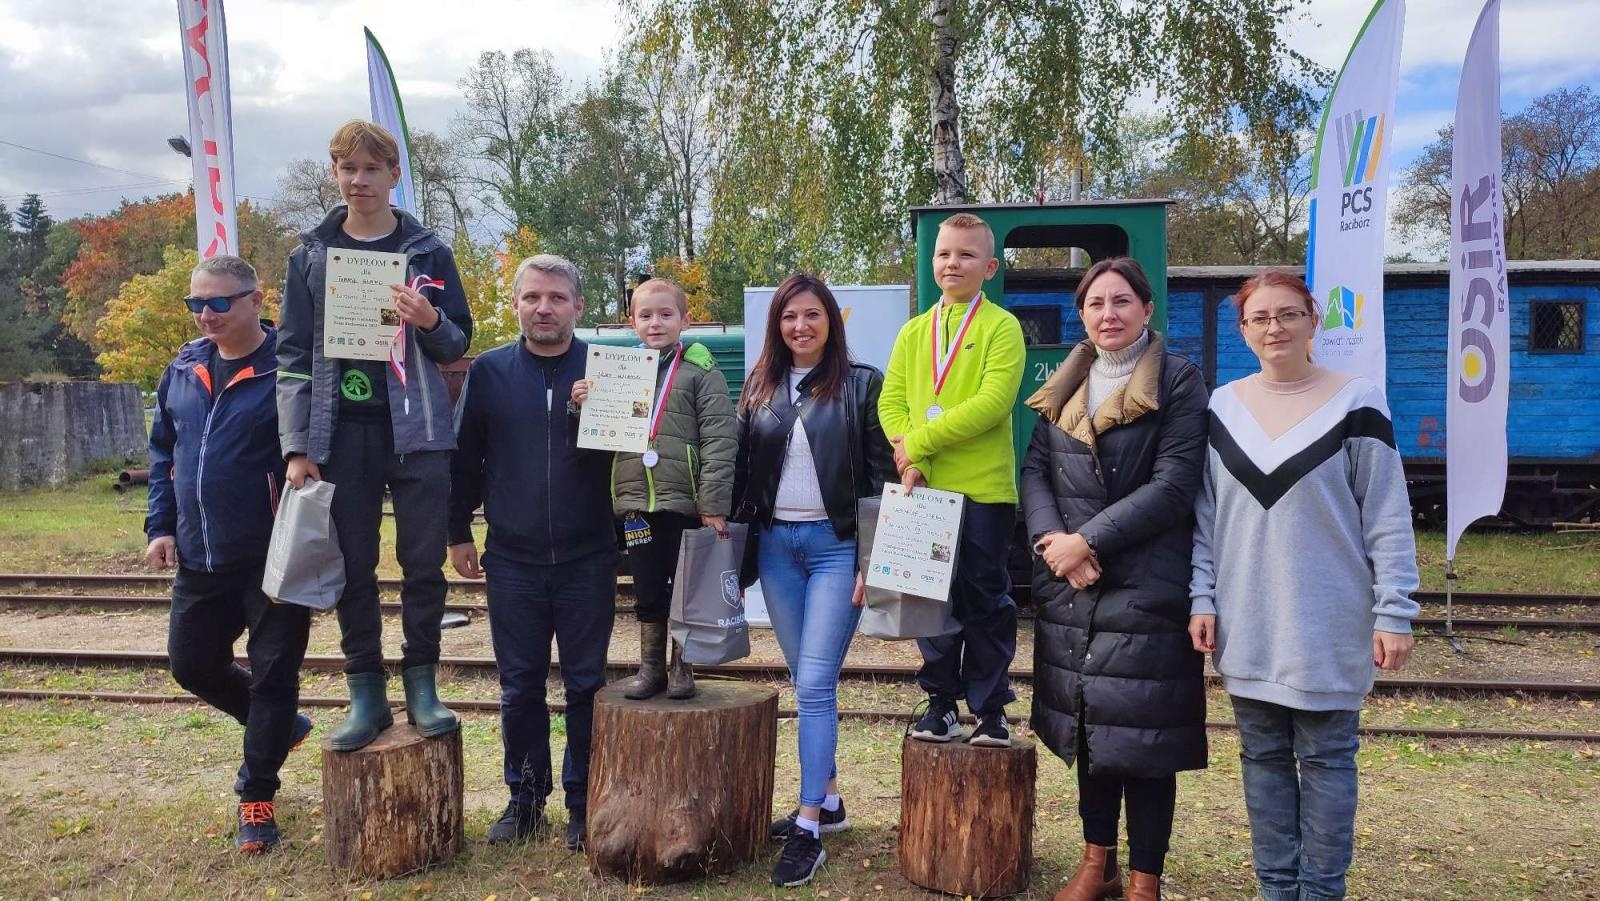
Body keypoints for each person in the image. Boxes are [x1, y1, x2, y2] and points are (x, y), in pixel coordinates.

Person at [1189, 270, 1418, 901]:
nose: (1274, 327)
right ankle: (1275, 890)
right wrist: (1201, 598)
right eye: (1260, 317)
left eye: (1287, 314)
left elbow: (1387, 513)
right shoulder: (1222, 408)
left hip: (1329, 620)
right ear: (1242, 330)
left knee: (1326, 761)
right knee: (1261, 760)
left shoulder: (1357, 401)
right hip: (1246, 620)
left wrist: (1394, 611)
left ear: (1313, 321)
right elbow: (1205, 519)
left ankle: (1321, 893)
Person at [276, 120, 473, 752]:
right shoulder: (309, 256)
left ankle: (422, 683)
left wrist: (430, 319)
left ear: (393, 175)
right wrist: (298, 446)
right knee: (352, 565)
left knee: (422, 563)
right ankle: (365, 691)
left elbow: (458, 341)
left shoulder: (429, 251)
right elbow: (293, 357)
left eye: (371, 169)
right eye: (347, 168)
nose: (358, 180)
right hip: (341, 434)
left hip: (418, 429)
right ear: (335, 174)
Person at [1019, 258, 1209, 901]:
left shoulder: (1179, 381)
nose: (1108, 314)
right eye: (1095, 303)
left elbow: (1176, 485)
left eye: (1121, 301)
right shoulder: (1066, 383)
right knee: (1089, 728)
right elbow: (1035, 472)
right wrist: (1054, 546)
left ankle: (1144, 877)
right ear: (1082, 314)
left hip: (1145, 580)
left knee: (1145, 739)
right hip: (1073, 581)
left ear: (1146, 308)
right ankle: (1095, 862)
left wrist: (1087, 540)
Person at [731, 273, 898, 887]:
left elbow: (879, 477)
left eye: (812, 315)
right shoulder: (760, 386)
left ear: (831, 320)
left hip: (836, 549)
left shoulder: (861, 385)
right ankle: (829, 801)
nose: (800, 327)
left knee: (818, 683)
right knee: (803, 676)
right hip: (778, 548)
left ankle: (806, 829)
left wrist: (868, 561)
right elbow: (743, 469)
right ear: (777, 326)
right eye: (789, 318)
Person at [449, 254, 619, 852]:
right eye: (532, 298)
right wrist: (457, 532)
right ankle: (524, 798)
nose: (543, 308)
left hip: (588, 555)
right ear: (517, 304)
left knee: (584, 683)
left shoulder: (606, 368)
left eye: (556, 297)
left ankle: (582, 800)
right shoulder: (490, 372)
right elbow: (464, 458)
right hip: (513, 559)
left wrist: (589, 410)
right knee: (519, 685)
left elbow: (628, 457)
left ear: (578, 305)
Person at [147, 255, 312, 853]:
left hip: (273, 558)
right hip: (198, 556)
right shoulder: (183, 368)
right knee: (191, 665)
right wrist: (160, 526)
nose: (206, 315)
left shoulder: (288, 369)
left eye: (219, 302)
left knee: (273, 678)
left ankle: (256, 798)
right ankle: (282, 730)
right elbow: (164, 453)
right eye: (196, 304)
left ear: (255, 299)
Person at [879, 211, 1026, 748]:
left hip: (984, 489)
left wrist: (916, 443)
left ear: (989, 266)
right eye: (943, 253)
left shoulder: (1001, 327)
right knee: (929, 598)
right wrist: (907, 452)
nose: (952, 263)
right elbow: (891, 401)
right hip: (923, 488)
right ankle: (940, 703)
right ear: (931, 261)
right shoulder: (914, 332)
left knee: (985, 597)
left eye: (965, 255)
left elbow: (992, 404)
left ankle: (990, 709)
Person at [572, 278, 737, 701]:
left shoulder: (702, 371)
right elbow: (599, 437)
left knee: (685, 587)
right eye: (645, 315)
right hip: (636, 504)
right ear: (632, 322)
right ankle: (651, 668)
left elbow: (720, 440)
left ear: (686, 319)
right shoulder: (616, 372)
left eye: (666, 314)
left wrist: (713, 503)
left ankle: (683, 667)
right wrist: (582, 405)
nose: (656, 322)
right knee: (646, 584)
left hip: (685, 504)